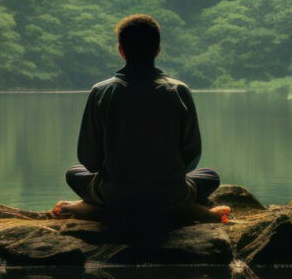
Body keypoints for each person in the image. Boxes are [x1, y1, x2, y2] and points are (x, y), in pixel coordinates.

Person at [53, 14, 228, 223]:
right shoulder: (178, 90)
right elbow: (190, 156)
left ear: (121, 51)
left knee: (74, 173)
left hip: (114, 194)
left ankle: (95, 208)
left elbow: (89, 160)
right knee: (210, 176)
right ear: (158, 50)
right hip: (169, 195)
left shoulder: (101, 92)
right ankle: (184, 209)